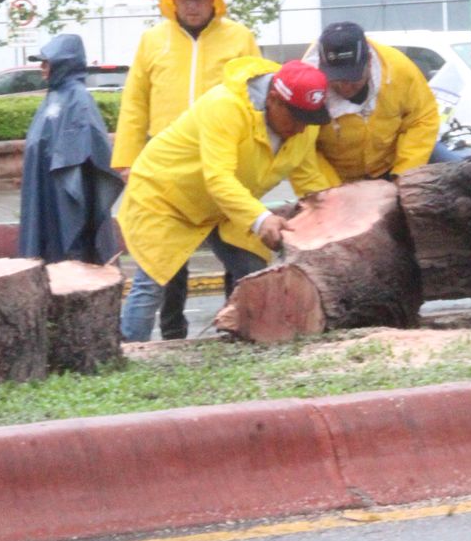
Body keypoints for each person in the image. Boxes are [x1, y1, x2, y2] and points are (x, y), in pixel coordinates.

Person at [115, 58, 339, 343]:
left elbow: (308, 179)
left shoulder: (305, 126)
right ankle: (131, 351)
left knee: (254, 272)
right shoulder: (224, 106)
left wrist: (325, 216)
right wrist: (261, 219)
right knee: (152, 283)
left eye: (307, 120)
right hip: (167, 195)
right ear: (273, 99)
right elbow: (218, 178)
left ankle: (248, 344)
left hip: (227, 207)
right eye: (294, 118)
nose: (300, 128)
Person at [112, 0, 259, 339]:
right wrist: (127, 159)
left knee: (239, 250)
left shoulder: (239, 38)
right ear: (171, 1)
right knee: (165, 257)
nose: (192, 4)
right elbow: (135, 102)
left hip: (225, 162)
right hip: (170, 169)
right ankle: (172, 332)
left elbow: (258, 98)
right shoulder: (152, 41)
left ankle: (237, 326)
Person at [17, 33, 124, 264]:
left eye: (47, 62)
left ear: (64, 62)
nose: (42, 68)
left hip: (63, 202)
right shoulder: (54, 96)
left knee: (68, 262)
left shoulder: (78, 100)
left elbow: (83, 153)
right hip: (45, 193)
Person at [305, 21, 440, 181]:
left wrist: (404, 176)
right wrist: (333, 191)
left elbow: (422, 118)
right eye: (336, 79)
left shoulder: (399, 70)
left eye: (353, 78)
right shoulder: (306, 89)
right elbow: (304, 149)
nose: (345, 87)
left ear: (368, 61)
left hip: (391, 162)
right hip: (338, 175)